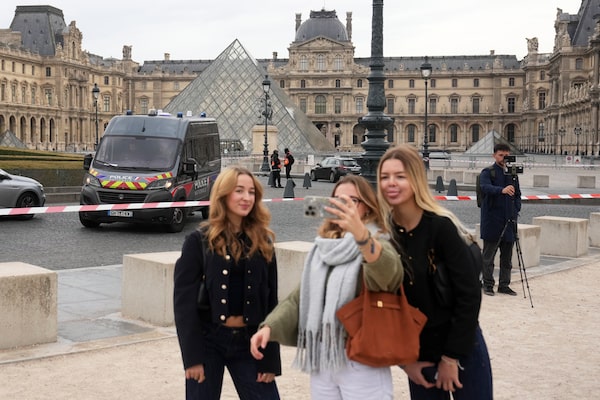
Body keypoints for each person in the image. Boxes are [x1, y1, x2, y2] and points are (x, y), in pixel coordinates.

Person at [250, 175, 404, 400]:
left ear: (368, 208)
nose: (343, 207)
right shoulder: (323, 247)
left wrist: (361, 236)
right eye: (337, 201)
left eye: (352, 201)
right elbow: (300, 297)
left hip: (361, 355)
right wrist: (270, 327)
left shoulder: (377, 242)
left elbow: (388, 275)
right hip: (323, 355)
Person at [376, 144, 492, 399]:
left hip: (461, 347)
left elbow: (469, 295)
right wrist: (405, 362)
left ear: (416, 179)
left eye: (400, 176)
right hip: (420, 354)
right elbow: (386, 306)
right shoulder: (386, 236)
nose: (391, 183)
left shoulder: (441, 228)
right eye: (385, 177)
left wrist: (451, 358)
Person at [173, 165, 281, 400]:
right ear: (223, 194)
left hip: (251, 341)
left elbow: (271, 302)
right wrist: (192, 358)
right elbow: (184, 304)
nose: (246, 198)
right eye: (239, 190)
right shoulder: (198, 241)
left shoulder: (263, 242)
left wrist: (271, 360)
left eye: (251, 192)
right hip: (208, 341)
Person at [479, 143, 522, 296]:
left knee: (507, 257)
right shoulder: (487, 172)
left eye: (506, 155)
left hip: (509, 219)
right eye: (501, 155)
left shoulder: (513, 173)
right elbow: (485, 187)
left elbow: (518, 194)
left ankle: (504, 285)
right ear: (494, 156)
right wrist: (501, 190)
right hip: (492, 220)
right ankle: (488, 284)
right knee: (489, 256)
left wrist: (516, 209)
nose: (504, 158)